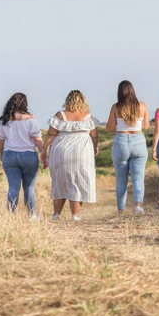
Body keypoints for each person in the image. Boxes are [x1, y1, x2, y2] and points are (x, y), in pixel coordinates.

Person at [41, 90, 100, 221]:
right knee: (78, 183)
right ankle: (75, 215)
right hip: (81, 153)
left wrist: (44, 149)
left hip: (60, 151)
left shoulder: (60, 115)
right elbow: (94, 136)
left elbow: (51, 134)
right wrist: (96, 147)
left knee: (59, 182)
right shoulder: (88, 117)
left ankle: (56, 215)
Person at [0, 92, 44, 218]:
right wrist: (44, 154)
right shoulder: (31, 120)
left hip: (10, 156)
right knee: (29, 188)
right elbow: (37, 139)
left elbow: (0, 141)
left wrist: (2, 155)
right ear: (24, 104)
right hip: (28, 156)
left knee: (13, 187)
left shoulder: (3, 121)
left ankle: (10, 216)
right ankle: (31, 216)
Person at [106, 80, 150, 214]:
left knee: (121, 180)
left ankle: (121, 210)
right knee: (138, 178)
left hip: (121, 141)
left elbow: (109, 128)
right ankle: (138, 206)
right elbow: (146, 126)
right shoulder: (142, 106)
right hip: (139, 142)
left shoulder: (116, 107)